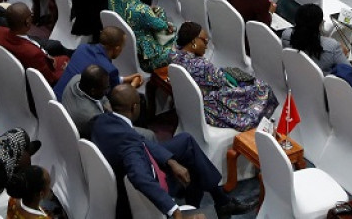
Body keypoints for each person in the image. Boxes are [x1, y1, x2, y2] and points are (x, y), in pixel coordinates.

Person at [92, 84, 252, 219]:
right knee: (193, 166)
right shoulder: (130, 147)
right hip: (145, 181)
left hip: (136, 161)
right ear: (135, 107)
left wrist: (170, 160)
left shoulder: (103, 120)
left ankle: (220, 201)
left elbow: (139, 139)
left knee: (186, 141)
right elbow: (140, 177)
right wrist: (174, 210)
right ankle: (201, 207)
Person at [169, 22, 278, 131]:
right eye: (205, 42)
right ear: (193, 41)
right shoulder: (202, 66)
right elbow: (223, 82)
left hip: (192, 102)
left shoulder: (174, 55)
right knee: (263, 89)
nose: (206, 47)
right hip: (209, 104)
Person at [108, 0, 175, 71]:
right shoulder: (142, 11)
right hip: (144, 58)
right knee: (179, 49)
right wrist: (165, 23)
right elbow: (161, 26)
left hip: (122, 44)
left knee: (157, 11)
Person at [54, 26, 145, 99]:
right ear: (117, 49)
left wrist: (123, 79)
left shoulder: (82, 48)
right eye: (122, 46)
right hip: (72, 109)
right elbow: (117, 99)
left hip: (55, 96)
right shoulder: (110, 70)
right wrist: (133, 86)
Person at [0, 3, 69, 84]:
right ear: (27, 22)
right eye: (31, 15)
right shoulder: (33, 53)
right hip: (42, 73)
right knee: (67, 58)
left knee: (55, 45)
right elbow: (50, 79)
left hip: (13, 71)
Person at [282, 3, 350, 74]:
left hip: (294, 78)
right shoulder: (333, 47)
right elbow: (349, 73)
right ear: (319, 25)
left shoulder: (286, 35)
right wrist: (342, 54)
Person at [60, 64, 111, 138]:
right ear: (93, 91)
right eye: (106, 88)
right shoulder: (92, 117)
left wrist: (106, 102)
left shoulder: (76, 79)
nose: (107, 91)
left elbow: (102, 97)